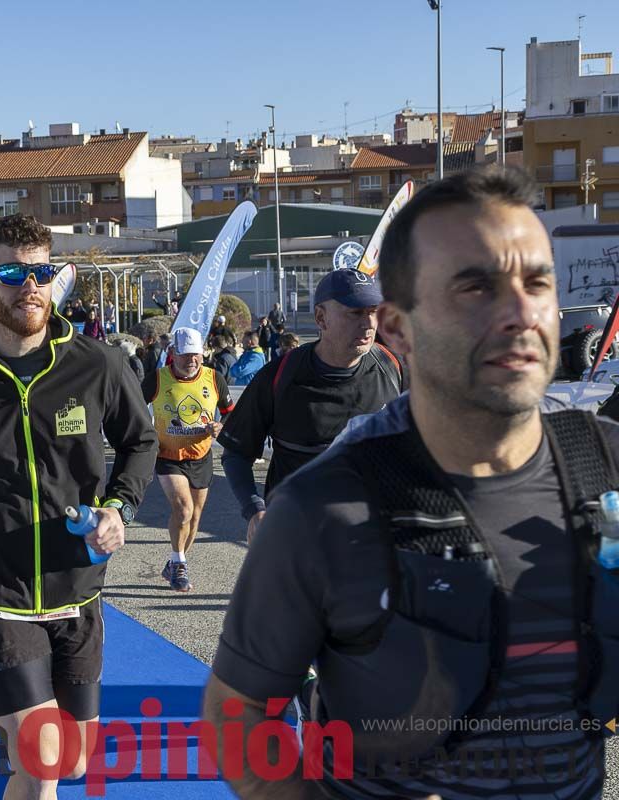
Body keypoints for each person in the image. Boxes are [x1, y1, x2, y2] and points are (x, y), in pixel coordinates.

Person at [205, 166, 618, 798]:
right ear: (400, 326)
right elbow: (238, 719)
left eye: (537, 281)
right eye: (474, 287)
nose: (520, 312)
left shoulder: (607, 464)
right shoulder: (321, 511)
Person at [0, 214, 158, 799]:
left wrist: (119, 507)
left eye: (42, 271)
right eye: (13, 273)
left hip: (78, 584)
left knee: (73, 762)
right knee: (40, 761)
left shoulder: (98, 364)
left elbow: (140, 443)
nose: (30, 286)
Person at [219, 268, 404, 542]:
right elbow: (235, 453)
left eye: (373, 311)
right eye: (354, 312)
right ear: (321, 317)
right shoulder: (279, 375)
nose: (368, 323)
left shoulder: (394, 366)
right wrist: (254, 509)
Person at [142, 327, 234, 592]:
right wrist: (146, 435)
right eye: (185, 356)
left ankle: (175, 561)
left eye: (196, 355)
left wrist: (220, 426)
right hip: (168, 456)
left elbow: (229, 412)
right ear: (173, 354)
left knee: (195, 518)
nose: (191, 361)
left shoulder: (214, 378)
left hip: (201, 455)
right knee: (183, 509)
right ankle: (179, 563)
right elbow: (135, 407)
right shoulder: (157, 379)